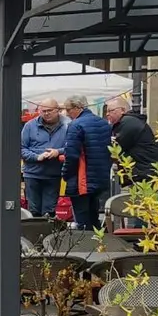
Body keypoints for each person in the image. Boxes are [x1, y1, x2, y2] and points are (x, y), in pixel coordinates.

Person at [62, 95, 112, 231]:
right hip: (100, 177)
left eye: (68, 109)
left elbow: (71, 155)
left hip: (81, 179)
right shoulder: (103, 123)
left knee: (82, 219)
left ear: (78, 108)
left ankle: (85, 249)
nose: (67, 113)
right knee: (93, 214)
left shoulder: (76, 125)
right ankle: (97, 246)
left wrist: (65, 174)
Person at [20, 98, 69, 218]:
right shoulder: (30, 126)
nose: (46, 113)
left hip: (54, 174)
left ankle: (49, 235)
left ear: (57, 110)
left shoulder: (68, 125)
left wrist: (58, 152)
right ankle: (35, 235)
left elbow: (72, 147)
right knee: (34, 210)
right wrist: (37, 157)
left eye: (49, 110)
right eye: (43, 111)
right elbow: (21, 149)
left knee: (50, 211)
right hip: (32, 174)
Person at [105, 97, 158, 185]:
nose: (107, 114)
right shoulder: (129, 121)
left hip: (147, 173)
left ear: (122, 110)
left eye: (110, 111)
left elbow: (116, 149)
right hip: (148, 170)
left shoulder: (128, 122)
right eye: (106, 111)